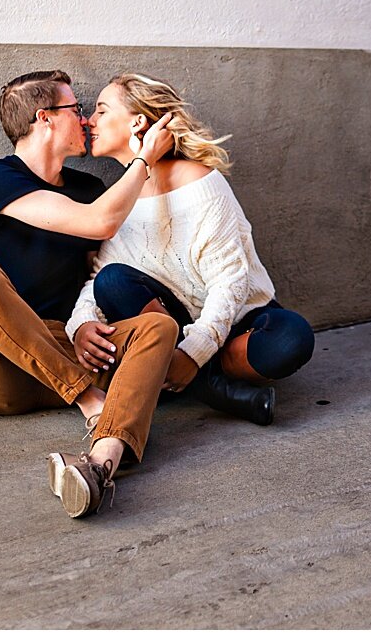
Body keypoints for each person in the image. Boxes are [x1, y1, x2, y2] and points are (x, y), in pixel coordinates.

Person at [0, 69, 179, 519]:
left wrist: (81, 325)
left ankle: (98, 467)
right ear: (45, 118)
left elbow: (94, 271)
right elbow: (99, 223)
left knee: (158, 326)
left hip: (66, 350)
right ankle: (93, 403)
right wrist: (144, 160)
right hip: (0, 371)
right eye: (76, 108)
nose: (85, 117)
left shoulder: (88, 189)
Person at [65, 72, 314, 426]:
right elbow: (100, 276)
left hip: (237, 322)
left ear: (137, 121)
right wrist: (81, 324)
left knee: (292, 339)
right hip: (169, 321)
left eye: (102, 111)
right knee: (111, 280)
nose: (89, 120)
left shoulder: (200, 183)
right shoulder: (123, 197)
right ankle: (213, 387)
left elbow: (230, 282)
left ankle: (179, 375)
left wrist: (194, 353)